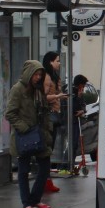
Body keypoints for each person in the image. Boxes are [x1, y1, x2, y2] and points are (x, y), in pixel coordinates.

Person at [4, 59, 54, 208]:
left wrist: (48, 129)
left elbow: (44, 112)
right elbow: (10, 113)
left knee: (44, 168)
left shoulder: (38, 90)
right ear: (28, 74)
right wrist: (24, 128)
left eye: (40, 74)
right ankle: (26, 202)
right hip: (24, 136)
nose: (38, 77)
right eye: (35, 74)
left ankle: (35, 199)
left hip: (40, 134)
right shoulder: (17, 89)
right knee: (24, 170)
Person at [40, 51, 64, 192]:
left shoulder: (54, 76)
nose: (59, 63)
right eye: (57, 60)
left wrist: (60, 96)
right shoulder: (47, 77)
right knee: (47, 149)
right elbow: (43, 97)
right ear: (50, 62)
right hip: (49, 117)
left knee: (50, 149)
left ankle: (46, 180)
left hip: (54, 115)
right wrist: (57, 96)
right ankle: (45, 180)